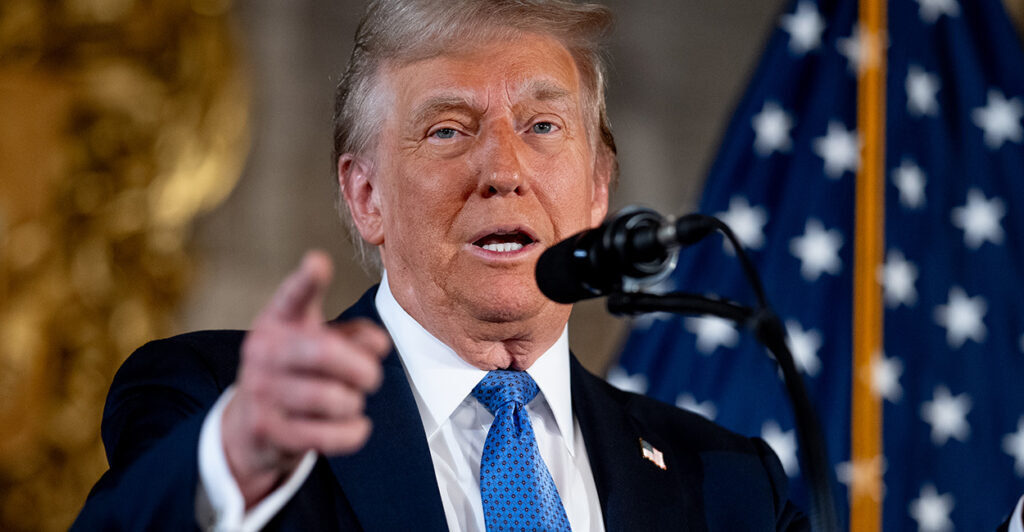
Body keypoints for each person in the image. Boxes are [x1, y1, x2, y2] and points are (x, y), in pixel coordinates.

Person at [73, 1, 811, 530]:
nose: (503, 169)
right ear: (365, 196)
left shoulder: (727, 485)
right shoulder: (215, 403)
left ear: (596, 192)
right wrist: (233, 458)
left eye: (543, 125)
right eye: (448, 129)